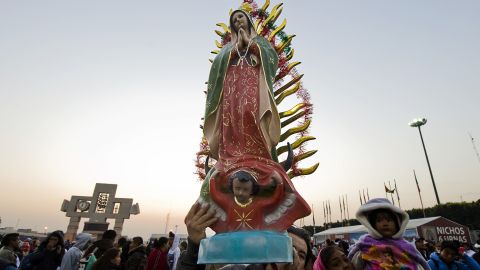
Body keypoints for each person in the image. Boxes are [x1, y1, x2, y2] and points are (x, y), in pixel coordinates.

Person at [348, 198, 429, 270]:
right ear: (372, 225)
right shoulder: (366, 241)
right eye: (379, 221)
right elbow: (350, 257)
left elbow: (422, 262)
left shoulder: (406, 245)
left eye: (389, 220)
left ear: (398, 223)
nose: (385, 224)